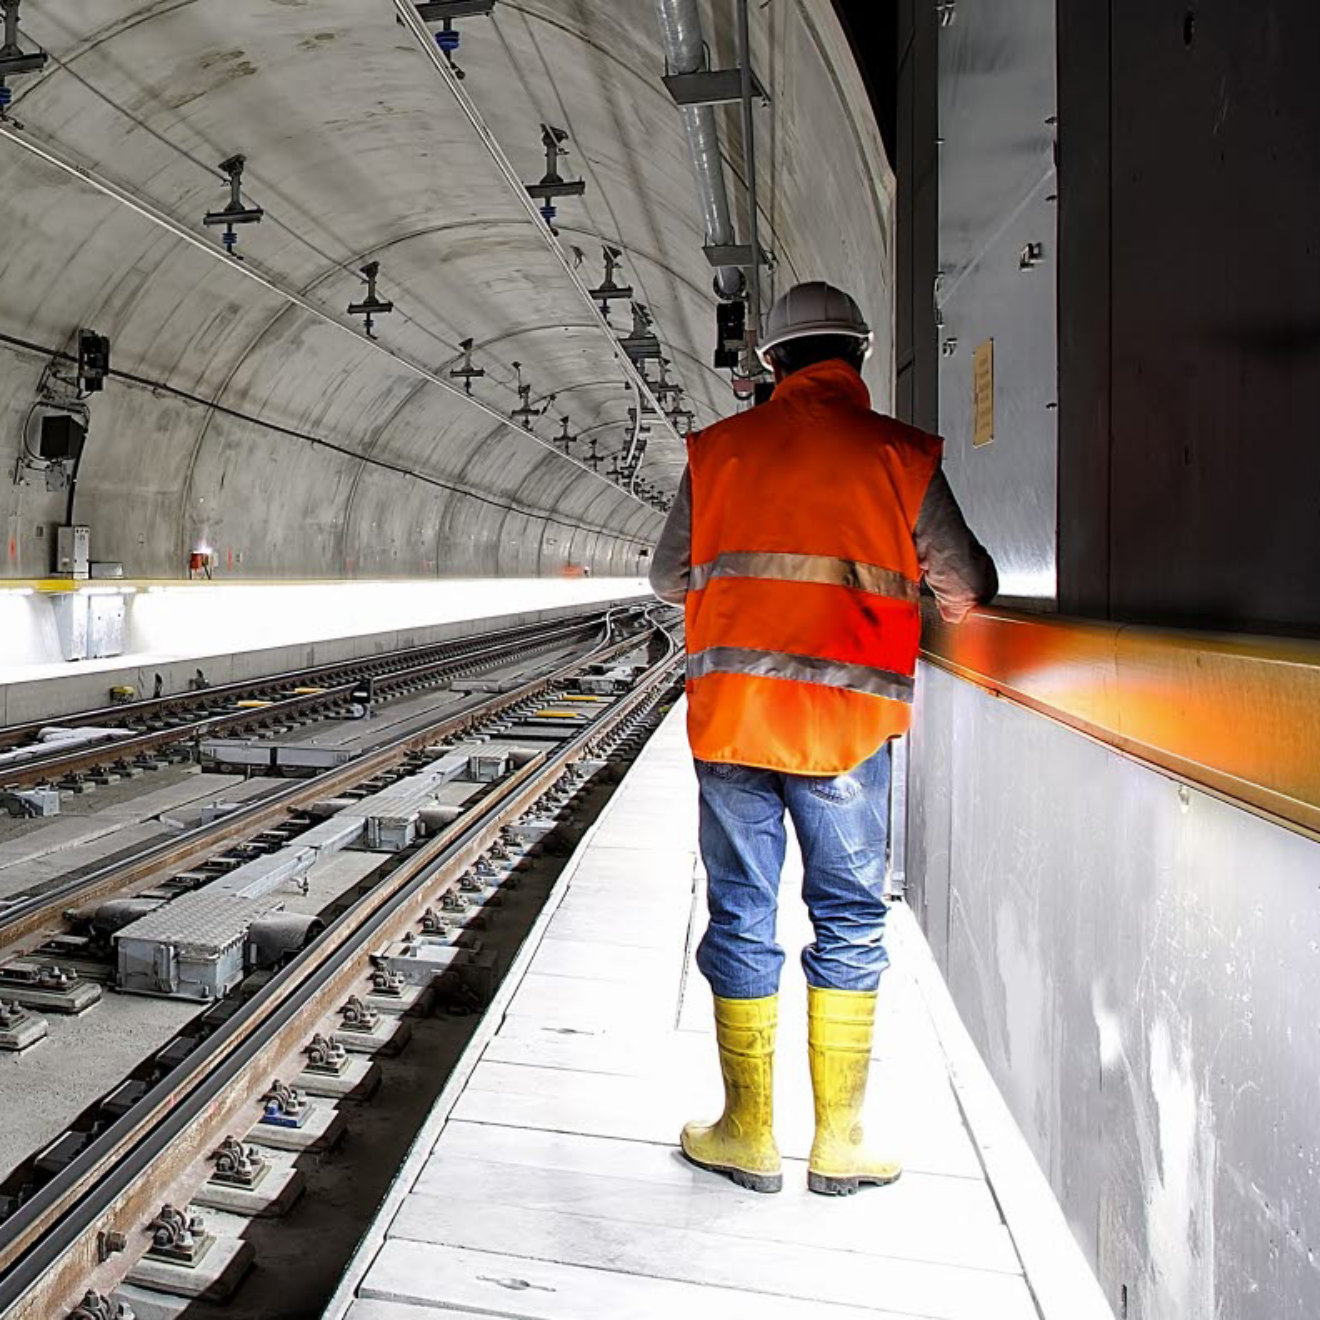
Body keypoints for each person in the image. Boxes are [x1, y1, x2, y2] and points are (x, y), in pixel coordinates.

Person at [649, 281, 997, 1196]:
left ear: (770, 362)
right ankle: (839, 1140)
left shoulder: (716, 453)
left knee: (742, 909)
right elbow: (965, 585)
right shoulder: (900, 455)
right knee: (847, 914)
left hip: (732, 725)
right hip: (845, 731)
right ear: (859, 355)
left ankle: (746, 1132)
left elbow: (664, 577)